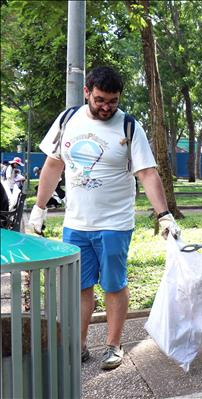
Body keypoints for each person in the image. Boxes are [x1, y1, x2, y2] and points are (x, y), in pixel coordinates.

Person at [27, 66, 181, 371]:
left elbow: (147, 173)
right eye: (100, 99)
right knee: (80, 288)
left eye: (112, 100)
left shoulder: (129, 126)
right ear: (87, 92)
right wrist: (39, 209)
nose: (106, 106)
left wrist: (164, 215)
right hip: (76, 224)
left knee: (113, 284)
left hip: (114, 224)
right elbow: (53, 166)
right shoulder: (67, 120)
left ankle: (113, 344)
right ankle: (79, 345)